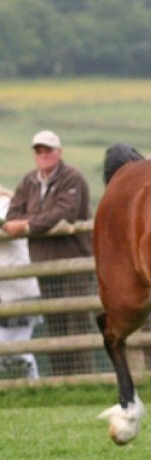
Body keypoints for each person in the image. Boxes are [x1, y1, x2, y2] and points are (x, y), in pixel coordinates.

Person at [2, 130, 96, 375]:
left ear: (59, 152)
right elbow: (12, 215)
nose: (43, 155)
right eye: (39, 151)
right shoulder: (28, 182)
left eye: (48, 150)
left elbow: (65, 212)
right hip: (43, 266)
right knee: (56, 327)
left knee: (78, 325)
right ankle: (61, 380)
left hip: (74, 263)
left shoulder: (72, 178)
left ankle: (84, 380)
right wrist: (32, 222)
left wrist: (28, 225)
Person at [0, 184, 41, 379]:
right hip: (4, 293)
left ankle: (35, 386)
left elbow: (6, 225)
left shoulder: (8, 205)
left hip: (19, 290)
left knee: (17, 347)